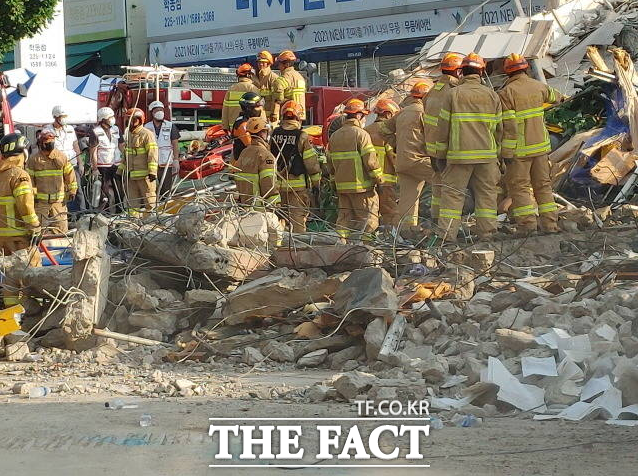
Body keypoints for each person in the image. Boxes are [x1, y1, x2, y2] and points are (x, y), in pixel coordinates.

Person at [434, 52, 503, 243]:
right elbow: (499, 129)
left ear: (461, 71)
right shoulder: (492, 95)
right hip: (487, 157)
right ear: (481, 71)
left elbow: (443, 128)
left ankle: (447, 236)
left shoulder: (453, 94)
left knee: (452, 196)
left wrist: (440, 155)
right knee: (487, 195)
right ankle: (488, 233)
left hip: (459, 156)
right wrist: (499, 156)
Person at [499, 53, 563, 236]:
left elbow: (509, 126)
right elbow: (556, 97)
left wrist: (507, 153)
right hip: (541, 148)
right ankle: (550, 225)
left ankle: (527, 226)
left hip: (519, 151)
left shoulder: (506, 93)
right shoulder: (539, 87)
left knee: (519, 188)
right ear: (526, 68)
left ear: (507, 72)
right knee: (543, 186)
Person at [380, 82, 434, 238]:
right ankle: (443, 224)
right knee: (446, 181)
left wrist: (397, 145)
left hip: (403, 162)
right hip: (420, 160)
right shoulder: (425, 112)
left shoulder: (401, 113)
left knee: (408, 200)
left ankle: (406, 231)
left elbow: (384, 130)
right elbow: (433, 136)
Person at [327, 98, 383, 242]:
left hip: (342, 188)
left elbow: (330, 164)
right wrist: (379, 180)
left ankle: (341, 246)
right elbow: (370, 161)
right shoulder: (361, 134)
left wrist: (334, 184)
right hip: (362, 188)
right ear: (358, 115)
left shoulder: (334, 136)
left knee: (344, 220)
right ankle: (367, 248)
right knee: (369, 220)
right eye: (363, 115)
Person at [0, 133, 41, 308]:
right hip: (20, 238)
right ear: (22, 151)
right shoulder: (19, 175)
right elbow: (25, 206)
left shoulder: (1, 174)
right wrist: (35, 228)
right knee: (30, 274)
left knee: (10, 276)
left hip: (3, 238)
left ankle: (12, 313)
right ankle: (31, 313)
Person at [423, 53, 464, 222]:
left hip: (432, 148)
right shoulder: (454, 92)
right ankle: (447, 226)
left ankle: (436, 216)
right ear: (457, 71)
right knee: (451, 188)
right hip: (448, 147)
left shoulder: (433, 91)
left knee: (438, 184)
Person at [270, 100, 321, 232]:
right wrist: (316, 184)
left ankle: (279, 247)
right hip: (296, 188)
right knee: (297, 219)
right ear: (298, 117)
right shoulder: (301, 136)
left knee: (279, 219)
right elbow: (311, 164)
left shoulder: (274, 134)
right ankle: (298, 247)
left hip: (278, 186)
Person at [26, 131, 77, 233]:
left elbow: (70, 175)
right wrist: (32, 196)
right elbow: (29, 181)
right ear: (41, 143)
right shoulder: (34, 160)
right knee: (39, 231)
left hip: (58, 203)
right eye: (47, 141)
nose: (50, 144)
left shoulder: (61, 157)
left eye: (52, 141)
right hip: (41, 204)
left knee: (61, 230)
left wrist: (72, 190)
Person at [365, 98, 400, 227]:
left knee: (371, 213)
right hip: (386, 181)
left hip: (368, 180)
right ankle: (393, 240)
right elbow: (393, 157)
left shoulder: (365, 131)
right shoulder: (388, 133)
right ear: (388, 114)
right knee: (391, 213)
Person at [117, 108, 158, 216]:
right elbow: (126, 155)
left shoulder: (146, 134)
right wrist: (120, 170)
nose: (131, 121)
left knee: (149, 200)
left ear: (140, 120)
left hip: (145, 176)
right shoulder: (129, 135)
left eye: (134, 119)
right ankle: (133, 223)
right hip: (131, 176)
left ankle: (151, 222)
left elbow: (152, 153)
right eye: (129, 119)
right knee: (132, 203)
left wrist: (152, 172)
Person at [43, 106, 85, 210]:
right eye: (62, 116)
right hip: (57, 167)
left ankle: (83, 213)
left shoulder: (70, 129)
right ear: (56, 117)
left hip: (72, 165)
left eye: (65, 116)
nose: (64, 118)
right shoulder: (47, 130)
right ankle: (66, 213)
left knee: (77, 189)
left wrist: (80, 164)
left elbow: (76, 146)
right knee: (60, 190)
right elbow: (44, 149)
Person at [235, 117, 280, 208]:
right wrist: (275, 205)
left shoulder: (244, 153)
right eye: (266, 131)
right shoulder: (265, 155)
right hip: (260, 209)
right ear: (262, 133)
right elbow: (268, 184)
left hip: (245, 207)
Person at [89, 107, 124, 213]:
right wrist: (95, 168)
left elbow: (121, 145)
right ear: (104, 119)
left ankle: (120, 210)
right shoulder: (95, 131)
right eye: (110, 117)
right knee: (104, 191)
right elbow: (93, 151)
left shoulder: (116, 129)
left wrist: (125, 157)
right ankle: (106, 212)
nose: (113, 119)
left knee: (119, 189)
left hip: (116, 164)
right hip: (102, 166)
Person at [144, 100, 180, 199]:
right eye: (157, 110)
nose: (160, 112)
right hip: (151, 163)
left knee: (166, 189)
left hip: (166, 163)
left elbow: (175, 143)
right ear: (152, 112)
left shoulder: (170, 125)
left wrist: (176, 159)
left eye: (161, 110)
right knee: (151, 189)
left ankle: (166, 207)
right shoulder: (146, 127)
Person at [221, 64, 260, 131]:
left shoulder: (231, 89)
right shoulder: (254, 89)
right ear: (249, 75)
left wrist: (225, 128)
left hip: (233, 128)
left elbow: (225, 111)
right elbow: (258, 110)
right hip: (250, 127)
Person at [272, 51, 307, 123]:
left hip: (289, 113)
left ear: (286, 64)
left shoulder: (286, 76)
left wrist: (277, 109)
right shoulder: (300, 77)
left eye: (279, 64)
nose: (278, 66)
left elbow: (278, 89)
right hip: (300, 113)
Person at [231, 92, 265, 162]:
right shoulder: (243, 125)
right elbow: (251, 146)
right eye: (257, 107)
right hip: (243, 164)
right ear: (249, 108)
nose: (260, 109)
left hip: (250, 160)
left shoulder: (250, 121)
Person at [255, 51, 279, 122]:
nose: (260, 64)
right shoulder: (256, 77)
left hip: (270, 116)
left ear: (269, 63)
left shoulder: (273, 78)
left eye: (263, 62)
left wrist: (274, 113)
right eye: (259, 62)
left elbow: (277, 98)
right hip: (258, 114)